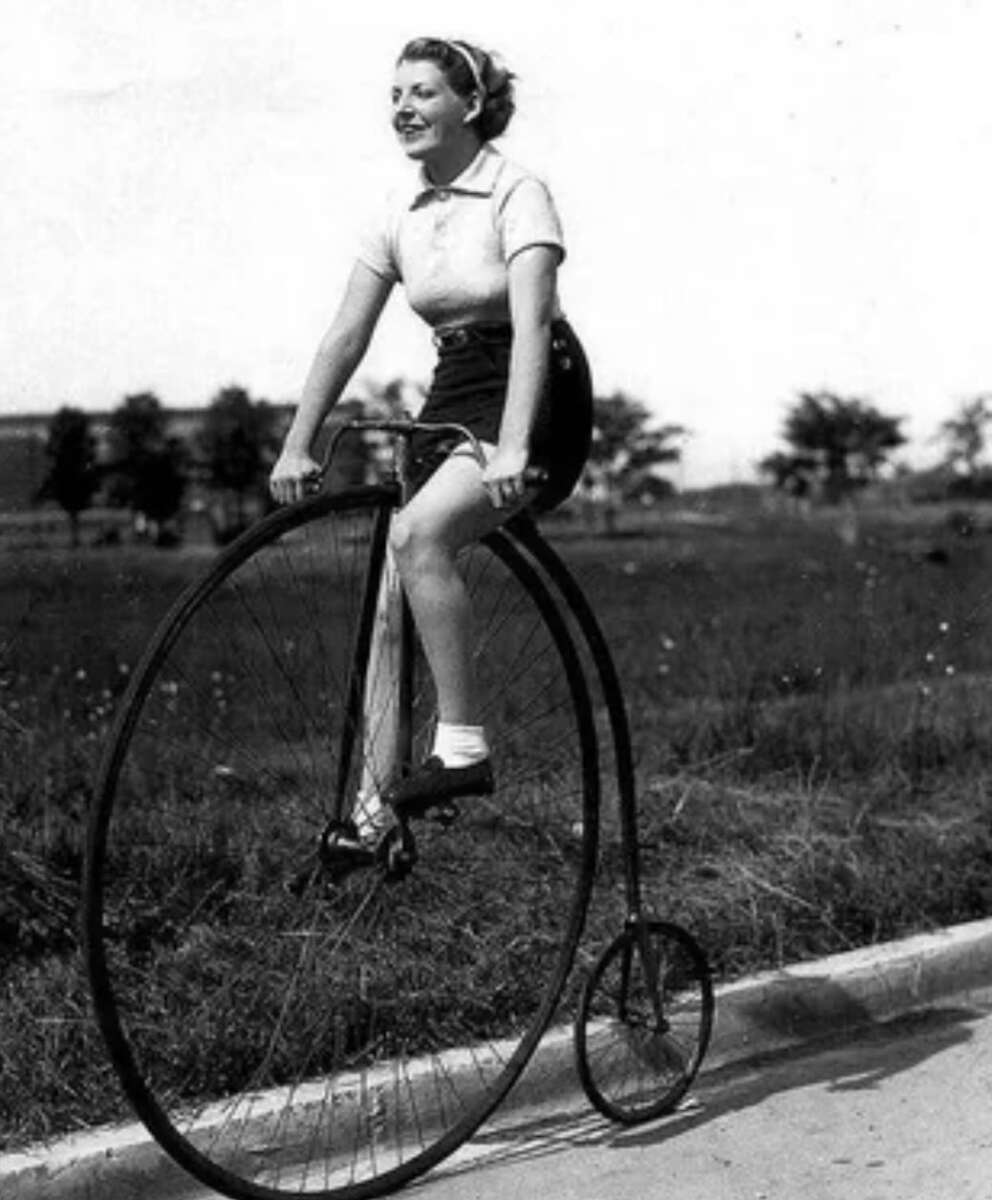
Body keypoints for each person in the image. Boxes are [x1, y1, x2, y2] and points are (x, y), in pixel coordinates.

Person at [269, 36, 593, 866]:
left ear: (470, 105)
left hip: (533, 389)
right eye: (396, 95)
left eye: (422, 93)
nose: (403, 108)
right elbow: (346, 333)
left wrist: (515, 443)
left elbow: (531, 325)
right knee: (388, 603)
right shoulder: (398, 209)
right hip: (451, 393)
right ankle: (375, 818)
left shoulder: (517, 192)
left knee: (420, 537)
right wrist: (300, 440)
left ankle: (465, 747)